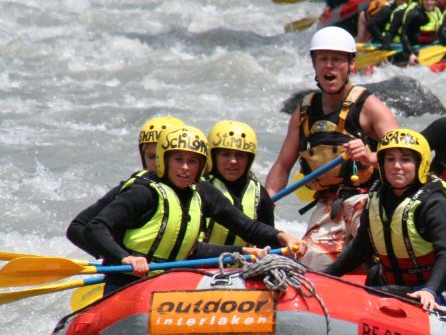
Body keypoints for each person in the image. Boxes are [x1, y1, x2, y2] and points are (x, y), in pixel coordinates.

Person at [85, 125, 303, 294]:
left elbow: (247, 227)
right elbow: (95, 227)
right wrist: (125, 258)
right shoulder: (143, 192)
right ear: (164, 160)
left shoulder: (202, 193)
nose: (185, 168)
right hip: (127, 282)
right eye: (178, 160)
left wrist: (283, 237)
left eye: (192, 161)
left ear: (202, 165)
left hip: (172, 283)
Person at [265, 26, 399, 269]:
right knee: (305, 262)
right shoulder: (303, 112)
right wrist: (267, 200)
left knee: (365, 252)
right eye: (322, 59)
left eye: (336, 60)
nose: (329, 66)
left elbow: (409, 158)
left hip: (366, 202)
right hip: (327, 207)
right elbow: (283, 166)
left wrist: (370, 156)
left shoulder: (370, 107)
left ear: (350, 65)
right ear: (314, 65)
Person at [325, 129, 446, 312]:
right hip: (397, 288)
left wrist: (430, 290)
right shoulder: (378, 196)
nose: (396, 166)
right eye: (390, 159)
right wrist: (326, 276)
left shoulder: (434, 202)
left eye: (405, 160)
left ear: (420, 164)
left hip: (444, 289)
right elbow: (361, 248)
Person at [67, 115, 185, 257]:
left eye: (166, 156)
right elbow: (77, 227)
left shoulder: (198, 190)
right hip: (135, 271)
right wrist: (118, 256)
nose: (158, 163)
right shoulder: (136, 191)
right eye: (152, 157)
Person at [204, 120, 274, 245]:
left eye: (240, 155)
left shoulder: (260, 194)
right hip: (201, 262)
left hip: (246, 263)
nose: (233, 161)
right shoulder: (200, 188)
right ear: (213, 157)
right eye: (225, 154)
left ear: (249, 160)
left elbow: (269, 242)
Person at [400, 0, 443, 65]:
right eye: (426, 0)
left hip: (432, 45)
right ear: (421, 0)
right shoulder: (415, 14)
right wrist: (411, 54)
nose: (429, 2)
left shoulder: (437, 11)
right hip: (416, 48)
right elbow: (404, 35)